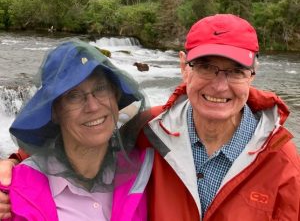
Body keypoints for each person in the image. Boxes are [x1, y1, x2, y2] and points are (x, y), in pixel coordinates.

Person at [1, 14, 300, 220]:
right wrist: (13, 162)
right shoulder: (151, 130)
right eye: (206, 66)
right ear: (184, 67)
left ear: (252, 75)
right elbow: (86, 138)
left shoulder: (280, 159)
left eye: (235, 71)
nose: (220, 85)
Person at [0, 39, 152, 220]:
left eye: (101, 88)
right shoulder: (13, 196)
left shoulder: (149, 168)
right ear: (54, 111)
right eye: (74, 96)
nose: (93, 106)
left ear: (115, 95)